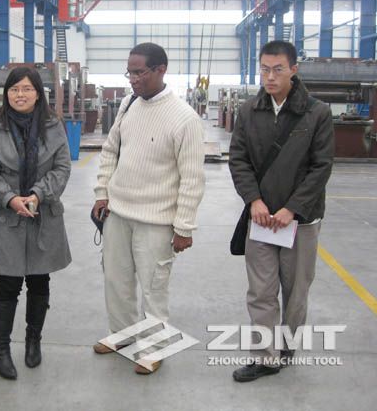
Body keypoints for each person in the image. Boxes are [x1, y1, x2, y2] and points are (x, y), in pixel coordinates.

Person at [92, 42, 205, 375]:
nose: (132, 79)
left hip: (156, 221)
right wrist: (102, 193)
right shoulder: (128, 105)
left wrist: (184, 227)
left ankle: (154, 349)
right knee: (116, 281)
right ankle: (122, 336)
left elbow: (192, 179)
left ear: (160, 70)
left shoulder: (184, 118)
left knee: (154, 287)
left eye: (139, 72)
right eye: (129, 72)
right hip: (118, 214)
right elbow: (110, 151)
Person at [229, 40, 334, 382]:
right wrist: (254, 201)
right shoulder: (249, 111)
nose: (270, 77)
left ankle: (287, 346)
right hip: (261, 218)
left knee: (296, 291)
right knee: (261, 291)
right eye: (264, 70)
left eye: (277, 70)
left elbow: (321, 167)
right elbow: (239, 159)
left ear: (293, 70)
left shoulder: (317, 113)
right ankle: (265, 357)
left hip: (300, 221)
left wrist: (293, 208)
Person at [0, 66, 72, 380]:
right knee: (8, 283)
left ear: (38, 93)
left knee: (39, 280)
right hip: (8, 215)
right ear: (6, 93)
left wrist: (37, 194)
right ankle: (1, 348)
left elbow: (61, 168)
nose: (20, 95)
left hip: (42, 213)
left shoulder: (53, 125)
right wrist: (9, 198)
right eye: (14, 89)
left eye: (27, 89)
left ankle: (34, 340)